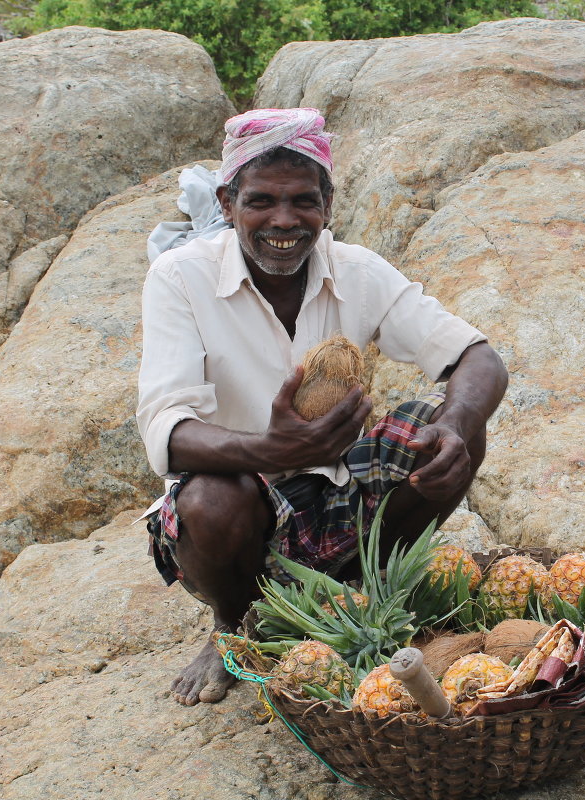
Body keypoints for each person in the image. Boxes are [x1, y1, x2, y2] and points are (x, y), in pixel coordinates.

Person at [137, 108, 508, 706]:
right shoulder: (180, 279)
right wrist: (271, 449)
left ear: (328, 205)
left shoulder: (356, 270)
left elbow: (478, 357)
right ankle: (237, 627)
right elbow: (166, 429)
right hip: (243, 506)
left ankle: (367, 588)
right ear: (227, 203)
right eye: (261, 202)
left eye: (303, 201)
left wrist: (459, 427)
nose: (283, 221)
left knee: (444, 429)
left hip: (338, 491)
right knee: (209, 497)